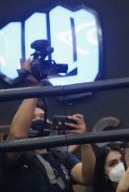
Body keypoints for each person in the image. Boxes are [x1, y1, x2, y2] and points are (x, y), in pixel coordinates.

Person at [0, 58, 96, 192]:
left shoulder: (59, 154)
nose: (38, 120)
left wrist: (85, 141)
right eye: (32, 117)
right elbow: (17, 135)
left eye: (41, 116)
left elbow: (88, 177)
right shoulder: (14, 155)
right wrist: (34, 88)